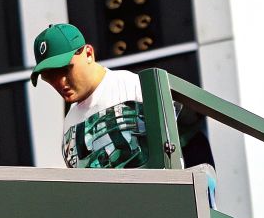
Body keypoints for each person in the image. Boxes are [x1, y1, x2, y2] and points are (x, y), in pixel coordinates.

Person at [28, 23, 214, 205]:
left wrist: (198, 204)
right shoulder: (69, 124)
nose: (60, 82)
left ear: (88, 54)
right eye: (50, 76)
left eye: (65, 69)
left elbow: (192, 140)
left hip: (160, 210)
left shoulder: (133, 87)